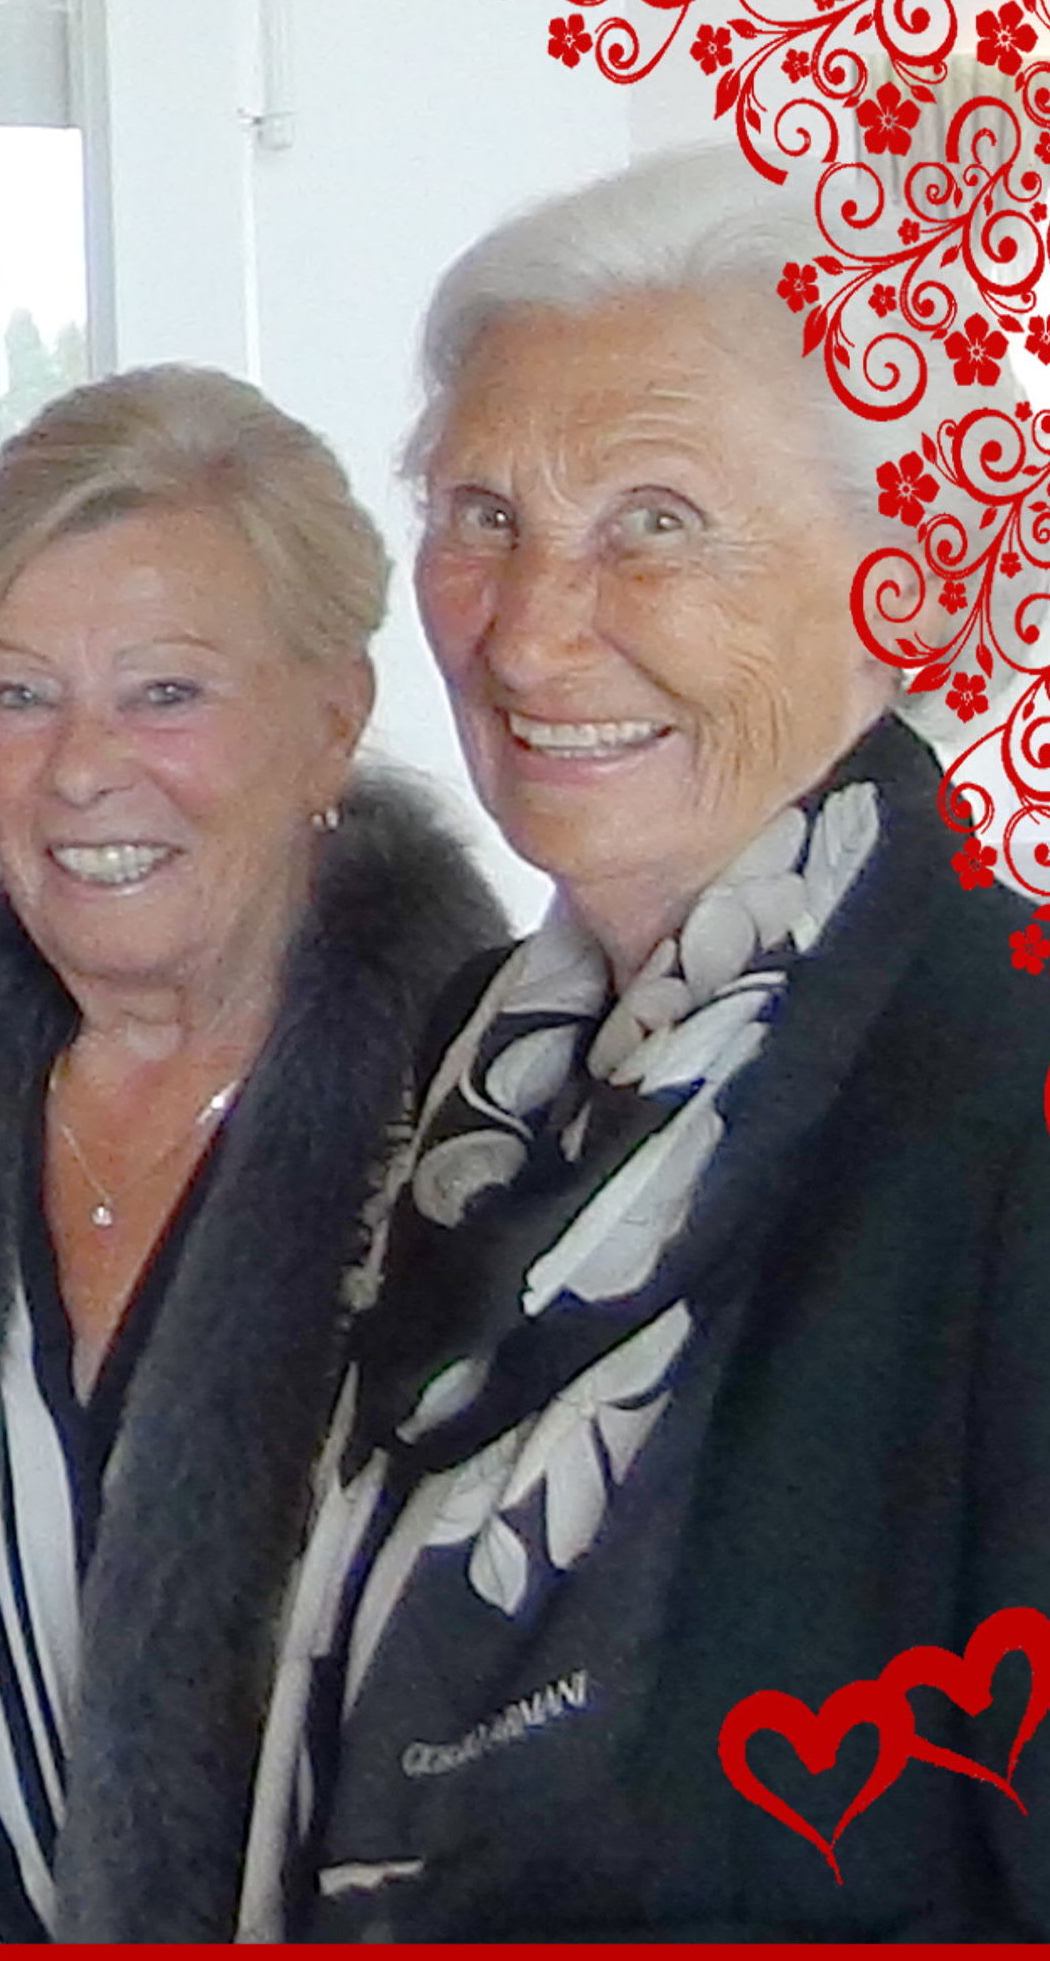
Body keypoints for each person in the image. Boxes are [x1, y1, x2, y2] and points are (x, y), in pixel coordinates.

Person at [238, 147, 1050, 1938]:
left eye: (655, 523)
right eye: (480, 514)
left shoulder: (1000, 1091)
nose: (528, 634)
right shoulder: (486, 1063)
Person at [0, 365, 507, 1939]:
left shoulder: (501, 1118)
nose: (75, 768)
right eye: (16, 692)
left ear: (331, 718)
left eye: (165, 692)